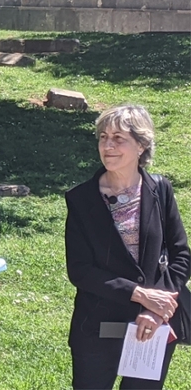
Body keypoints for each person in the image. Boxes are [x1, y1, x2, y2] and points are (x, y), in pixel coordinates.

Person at [65, 104, 190, 389]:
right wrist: (140, 295)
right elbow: (80, 270)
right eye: (103, 137)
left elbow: (181, 254)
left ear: (142, 145)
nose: (108, 145)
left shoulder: (160, 190)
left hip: (152, 326)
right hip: (97, 327)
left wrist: (156, 306)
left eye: (119, 138)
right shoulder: (81, 199)